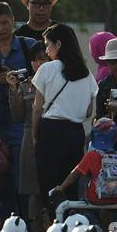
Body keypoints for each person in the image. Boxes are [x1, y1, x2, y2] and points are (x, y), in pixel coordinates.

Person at [31, 24, 98, 213]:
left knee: (49, 187)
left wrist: (36, 136)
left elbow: (37, 109)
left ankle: (52, 226)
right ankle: (70, 226)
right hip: (75, 133)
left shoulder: (46, 69)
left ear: (58, 44)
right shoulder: (86, 73)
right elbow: (88, 111)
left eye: (47, 45)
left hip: (51, 130)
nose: (46, 50)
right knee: (70, 188)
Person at [0, 2, 36, 219]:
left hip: (23, 123)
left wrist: (15, 79)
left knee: (24, 183)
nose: (1, 28)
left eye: (4, 23)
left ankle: (28, 228)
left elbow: (41, 79)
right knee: (2, 185)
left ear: (13, 21)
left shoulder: (29, 45)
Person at [50, 118, 117, 228]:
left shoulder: (91, 155)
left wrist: (61, 187)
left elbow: (75, 174)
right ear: (115, 137)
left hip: (96, 198)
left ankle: (93, 224)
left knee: (87, 204)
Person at [8, 41, 48, 232]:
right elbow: (16, 115)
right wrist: (14, 89)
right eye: (36, 60)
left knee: (52, 189)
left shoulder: (60, 80)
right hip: (28, 138)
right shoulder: (25, 85)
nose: (40, 64)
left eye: (44, 59)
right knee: (32, 193)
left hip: (52, 134)